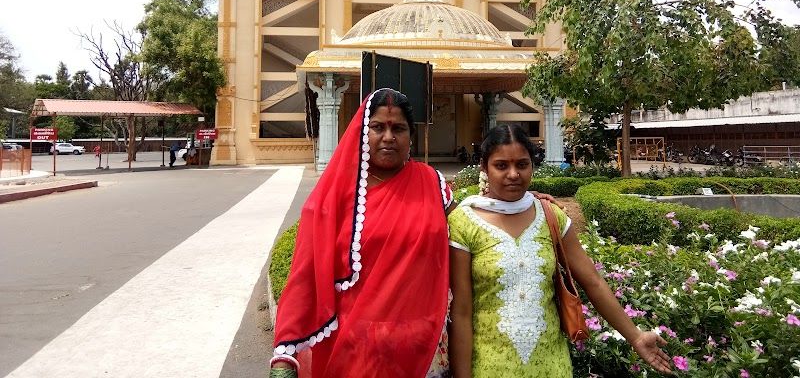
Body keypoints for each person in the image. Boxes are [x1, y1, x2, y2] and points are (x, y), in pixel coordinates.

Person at [271, 90, 563, 378]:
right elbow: (305, 277)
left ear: (411, 135)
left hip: (426, 351)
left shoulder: (432, 183)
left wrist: (522, 202)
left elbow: (471, 222)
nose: (388, 137)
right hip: (356, 352)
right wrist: (284, 356)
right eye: (378, 127)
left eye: (398, 128)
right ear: (363, 133)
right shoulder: (333, 199)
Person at [448, 124, 673, 377]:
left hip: (551, 365)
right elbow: (462, 312)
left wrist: (635, 336)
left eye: (522, 165)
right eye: (501, 166)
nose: (513, 174)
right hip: (488, 367)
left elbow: (593, 282)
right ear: (484, 167)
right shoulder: (464, 222)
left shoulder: (549, 215)